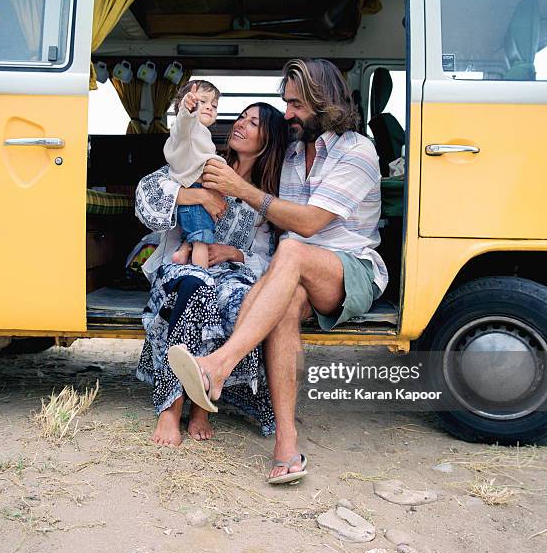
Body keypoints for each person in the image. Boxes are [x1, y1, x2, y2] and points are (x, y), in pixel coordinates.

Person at [167, 59, 388, 483]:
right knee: (285, 303)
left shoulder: (357, 151)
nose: (287, 113)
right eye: (286, 102)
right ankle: (286, 444)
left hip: (352, 267)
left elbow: (307, 224)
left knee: (291, 251)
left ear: (325, 103)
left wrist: (241, 190)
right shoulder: (289, 154)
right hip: (298, 270)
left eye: (296, 104)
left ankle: (218, 366)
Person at [135, 102, 288, 446]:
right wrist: (199, 194)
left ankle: (205, 402)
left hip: (234, 272)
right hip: (185, 265)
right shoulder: (202, 162)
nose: (240, 125)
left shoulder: (265, 194)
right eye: (241, 118)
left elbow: (266, 256)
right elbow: (146, 197)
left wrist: (236, 253)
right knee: (196, 286)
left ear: (268, 139)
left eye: (253, 123)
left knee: (240, 300)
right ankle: (171, 406)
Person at [164, 80, 225, 268]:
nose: (209, 107)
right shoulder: (186, 128)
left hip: (195, 194)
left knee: (193, 235)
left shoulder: (200, 132)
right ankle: (201, 275)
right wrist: (187, 108)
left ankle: (182, 254)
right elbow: (184, 121)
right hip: (196, 193)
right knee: (202, 242)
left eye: (213, 105)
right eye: (203, 101)